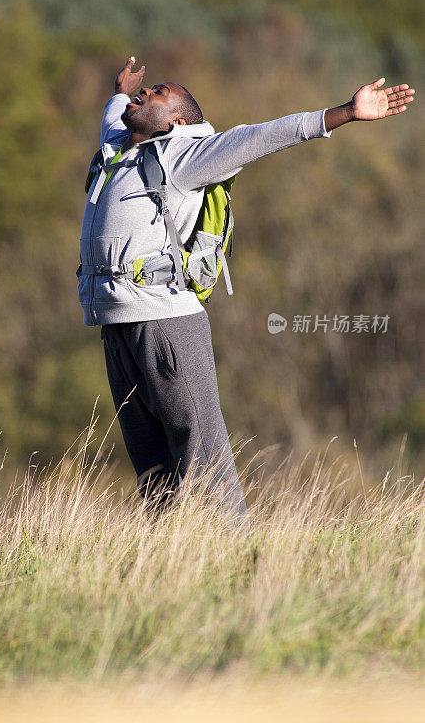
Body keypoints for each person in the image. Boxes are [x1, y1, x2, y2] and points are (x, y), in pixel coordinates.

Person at [77, 55, 415, 528]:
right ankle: (164, 560)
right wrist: (120, 90)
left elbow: (262, 136)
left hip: (166, 321)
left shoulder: (188, 155)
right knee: (150, 460)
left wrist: (343, 112)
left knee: (200, 448)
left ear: (176, 120)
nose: (145, 93)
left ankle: (236, 554)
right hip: (115, 324)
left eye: (158, 93)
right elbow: (112, 117)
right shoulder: (118, 148)